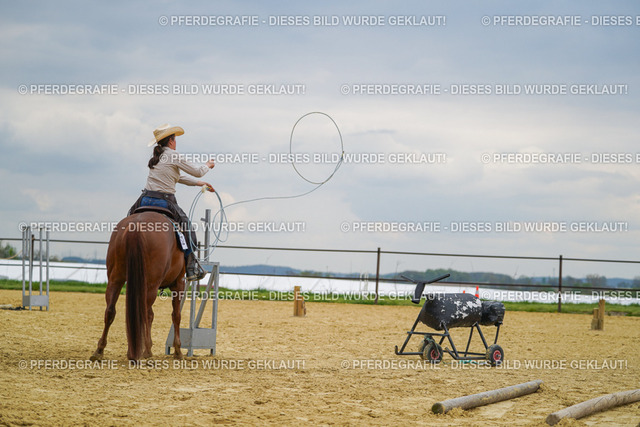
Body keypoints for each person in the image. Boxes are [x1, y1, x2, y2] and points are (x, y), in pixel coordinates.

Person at [128, 124, 215, 281]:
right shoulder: (174, 155)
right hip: (164, 201)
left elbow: (177, 177)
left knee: (128, 219)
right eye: (175, 139)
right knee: (187, 228)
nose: (176, 142)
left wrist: (199, 183)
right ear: (171, 141)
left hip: (145, 198)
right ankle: (191, 267)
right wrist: (207, 165)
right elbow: (198, 171)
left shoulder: (157, 157)